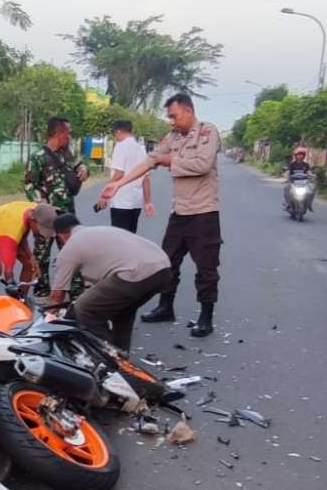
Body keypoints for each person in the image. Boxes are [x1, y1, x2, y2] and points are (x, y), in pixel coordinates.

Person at [100, 92, 222, 338]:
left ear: (188, 111)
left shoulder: (208, 132)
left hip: (204, 212)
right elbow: (150, 161)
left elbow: (202, 165)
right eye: (169, 117)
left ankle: (206, 317)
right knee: (167, 262)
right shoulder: (173, 137)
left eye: (174, 116)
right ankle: (166, 306)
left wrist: (169, 160)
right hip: (179, 213)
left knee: (206, 268)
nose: (171, 121)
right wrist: (119, 183)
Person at [46, 214, 172, 352]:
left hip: (135, 273)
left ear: (61, 235)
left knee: (84, 309)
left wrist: (48, 319)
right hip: (163, 269)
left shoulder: (70, 247)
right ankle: (122, 358)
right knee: (122, 311)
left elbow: (57, 295)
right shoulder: (100, 231)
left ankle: (107, 357)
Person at [24, 116, 88, 300]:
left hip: (67, 214)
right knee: (42, 254)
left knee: (73, 250)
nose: (70, 136)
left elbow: (80, 164)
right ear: (59, 133)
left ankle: (76, 292)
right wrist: (42, 204)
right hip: (46, 216)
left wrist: (83, 169)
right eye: (68, 132)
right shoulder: (37, 157)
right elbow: (29, 185)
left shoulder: (66, 154)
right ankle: (42, 290)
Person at [0, 200, 58, 316]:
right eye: (41, 228)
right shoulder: (12, 232)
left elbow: (23, 235)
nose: (41, 232)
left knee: (29, 265)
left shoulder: (36, 210)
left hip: (3, 226)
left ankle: (20, 303)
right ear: (33, 220)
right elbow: (8, 269)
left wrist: (32, 258)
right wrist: (11, 285)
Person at [96, 119, 153, 232]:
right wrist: (147, 202)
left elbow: (118, 174)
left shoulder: (121, 146)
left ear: (118, 131)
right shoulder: (140, 149)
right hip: (136, 202)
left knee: (119, 239)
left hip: (122, 201)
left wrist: (104, 194)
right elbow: (146, 179)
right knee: (130, 237)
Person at [284, 146, 313, 211]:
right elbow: (288, 172)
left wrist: (312, 175)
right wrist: (287, 178)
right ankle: (288, 204)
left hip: (304, 182)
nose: (300, 156)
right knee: (286, 188)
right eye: (298, 155)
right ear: (296, 156)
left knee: (311, 191)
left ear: (304, 156)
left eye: (302, 155)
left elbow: (309, 172)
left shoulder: (306, 165)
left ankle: (309, 204)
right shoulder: (292, 164)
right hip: (293, 182)